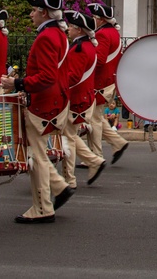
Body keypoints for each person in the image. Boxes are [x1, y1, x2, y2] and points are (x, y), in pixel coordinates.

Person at [0, 0, 75, 224]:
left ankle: (42, 207)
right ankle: (58, 188)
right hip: (56, 100)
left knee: (37, 156)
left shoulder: (46, 37)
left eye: (33, 10)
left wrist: (17, 82)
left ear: (44, 12)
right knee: (39, 154)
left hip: (44, 102)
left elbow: (46, 77)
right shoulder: (59, 34)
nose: (30, 14)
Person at [60, 10, 106, 189]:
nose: (68, 30)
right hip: (83, 97)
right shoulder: (85, 45)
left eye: (71, 27)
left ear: (79, 30)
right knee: (69, 135)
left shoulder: (79, 49)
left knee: (68, 138)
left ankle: (69, 179)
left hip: (77, 98)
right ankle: (93, 160)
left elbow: (73, 77)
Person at [86, 3, 129, 164]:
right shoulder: (113, 32)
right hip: (108, 81)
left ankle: (95, 156)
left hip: (100, 82)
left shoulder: (102, 34)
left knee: (93, 120)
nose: (93, 20)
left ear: (101, 19)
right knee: (96, 116)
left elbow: (99, 59)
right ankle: (118, 143)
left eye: (94, 18)